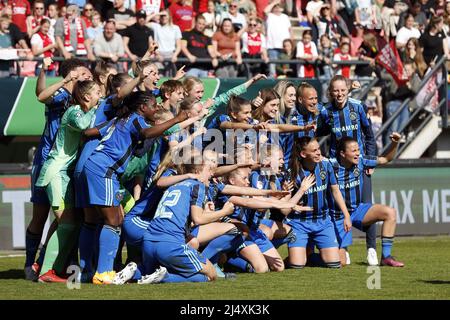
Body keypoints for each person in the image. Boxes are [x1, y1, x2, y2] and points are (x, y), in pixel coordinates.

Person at [79, 91, 188, 284]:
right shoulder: (136, 119)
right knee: (113, 220)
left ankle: (98, 269)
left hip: (98, 167)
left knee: (113, 219)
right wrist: (177, 119)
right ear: (142, 107)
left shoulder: (118, 120)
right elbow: (147, 133)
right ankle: (103, 273)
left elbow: (89, 132)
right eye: (154, 105)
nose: (157, 108)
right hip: (105, 169)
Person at [24, 58, 92, 281]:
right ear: (73, 75)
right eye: (84, 74)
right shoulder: (62, 96)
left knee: (65, 218)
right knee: (41, 216)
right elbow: (41, 95)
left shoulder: (82, 100)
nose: (88, 77)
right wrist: (46, 71)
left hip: (66, 165)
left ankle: (48, 264)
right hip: (47, 162)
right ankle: (31, 265)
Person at [36, 80, 101, 283]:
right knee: (67, 223)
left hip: (65, 174)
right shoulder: (74, 112)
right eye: (97, 92)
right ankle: (46, 271)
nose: (100, 95)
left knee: (71, 224)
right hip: (56, 173)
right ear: (86, 97)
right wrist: (98, 110)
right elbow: (83, 125)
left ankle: (52, 270)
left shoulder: (81, 110)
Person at [317, 75, 379, 266]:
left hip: (360, 165)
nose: (339, 93)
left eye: (342, 90)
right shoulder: (326, 112)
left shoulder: (358, 106)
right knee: (337, 209)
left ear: (347, 89)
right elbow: (318, 133)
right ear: (330, 92)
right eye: (335, 90)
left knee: (366, 206)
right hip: (337, 168)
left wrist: (369, 162)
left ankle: (371, 249)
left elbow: (369, 136)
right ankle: (344, 248)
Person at [329, 133, 405, 267]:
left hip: (357, 210)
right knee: (340, 263)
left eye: (358, 150)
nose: (358, 153)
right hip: (337, 216)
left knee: (390, 212)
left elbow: (386, 159)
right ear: (342, 153)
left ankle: (386, 257)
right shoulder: (330, 165)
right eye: (354, 151)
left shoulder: (362, 161)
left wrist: (395, 143)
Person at [285, 137, 352, 269]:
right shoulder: (291, 172)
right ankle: (289, 260)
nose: (318, 153)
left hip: (322, 222)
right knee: (296, 265)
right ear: (303, 154)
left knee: (335, 264)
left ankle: (310, 257)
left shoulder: (326, 165)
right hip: (299, 223)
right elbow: (286, 203)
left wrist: (346, 215)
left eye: (319, 149)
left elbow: (335, 191)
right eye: (314, 150)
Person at [264, 0, 292, 78]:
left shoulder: (285, 17)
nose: (276, 8)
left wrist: (290, 43)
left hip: (284, 47)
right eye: (275, 7)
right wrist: (274, 2)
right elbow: (265, 11)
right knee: (272, 72)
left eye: (278, 6)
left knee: (284, 70)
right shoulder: (269, 15)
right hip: (272, 47)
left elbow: (290, 30)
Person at [151, 10, 182, 77]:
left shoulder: (175, 28)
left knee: (170, 79)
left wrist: (175, 55)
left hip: (171, 55)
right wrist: (158, 13)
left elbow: (179, 45)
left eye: (165, 15)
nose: (163, 17)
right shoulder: (156, 26)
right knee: (158, 77)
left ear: (169, 16)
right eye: (162, 16)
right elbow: (144, 22)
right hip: (159, 55)